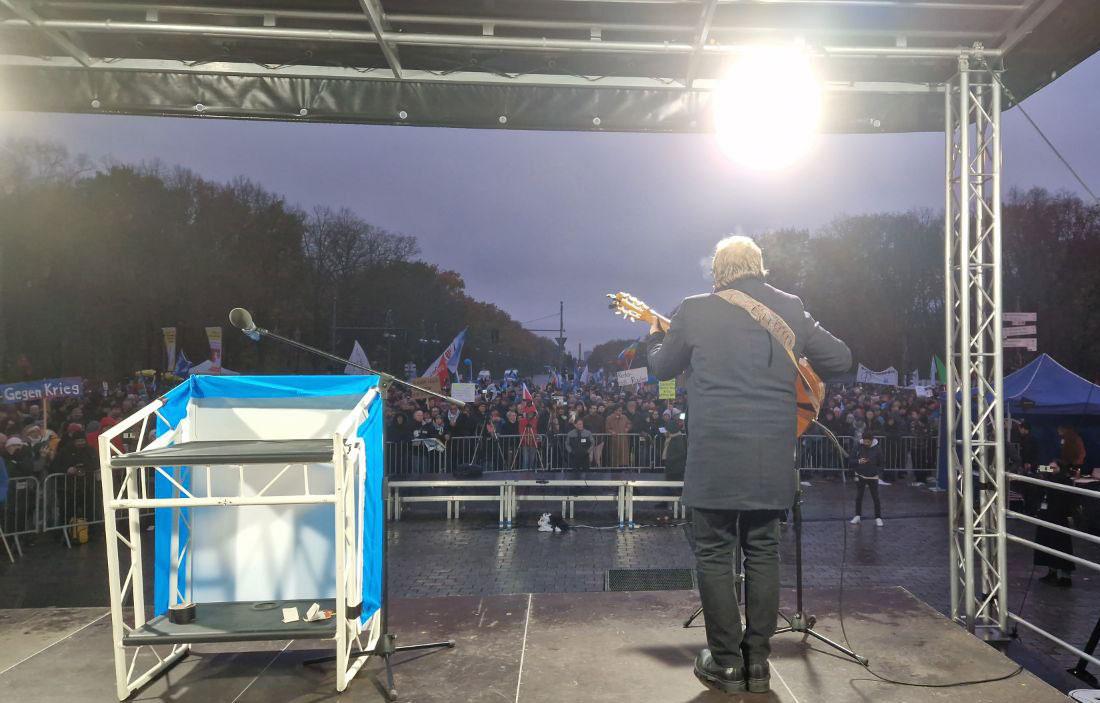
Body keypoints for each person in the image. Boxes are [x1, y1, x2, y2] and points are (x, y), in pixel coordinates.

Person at [647, 235, 851, 695]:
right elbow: (840, 359)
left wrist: (654, 336)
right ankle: (757, 662)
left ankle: (725, 663)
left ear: (718, 272)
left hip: (714, 457)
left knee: (715, 554)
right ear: (759, 266)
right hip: (771, 459)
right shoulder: (791, 307)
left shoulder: (694, 309)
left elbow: (661, 369)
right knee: (763, 551)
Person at [849, 435, 884, 526]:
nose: (866, 443)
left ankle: (878, 517)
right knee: (859, 496)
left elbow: (881, 463)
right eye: (865, 441)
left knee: (875, 497)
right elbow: (851, 460)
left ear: (872, 441)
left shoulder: (877, 448)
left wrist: (877, 473)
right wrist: (858, 461)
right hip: (860, 475)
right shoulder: (858, 446)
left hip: (873, 476)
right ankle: (857, 516)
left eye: (868, 442)